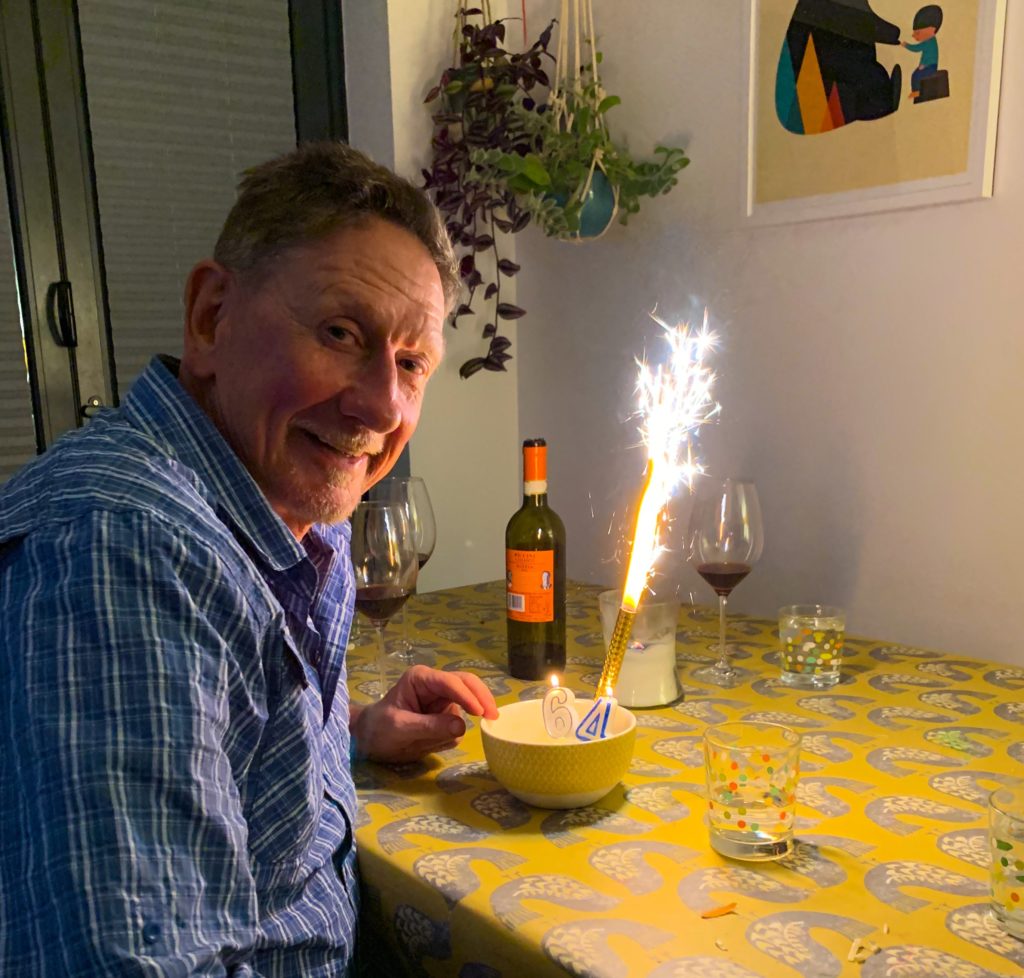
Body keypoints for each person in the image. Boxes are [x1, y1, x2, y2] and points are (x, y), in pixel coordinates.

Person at [0, 141, 498, 976]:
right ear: (211, 318)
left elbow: (215, 744)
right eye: (341, 332)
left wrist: (353, 732)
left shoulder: (279, 505)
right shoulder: (128, 553)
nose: (384, 405)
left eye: (411, 364)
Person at [902, 5, 943, 100]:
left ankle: (916, 91)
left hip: (930, 66)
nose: (914, 35)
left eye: (917, 33)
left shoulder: (929, 42)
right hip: (928, 65)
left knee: (916, 75)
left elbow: (919, 49)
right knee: (916, 74)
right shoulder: (930, 41)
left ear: (931, 30)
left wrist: (924, 65)